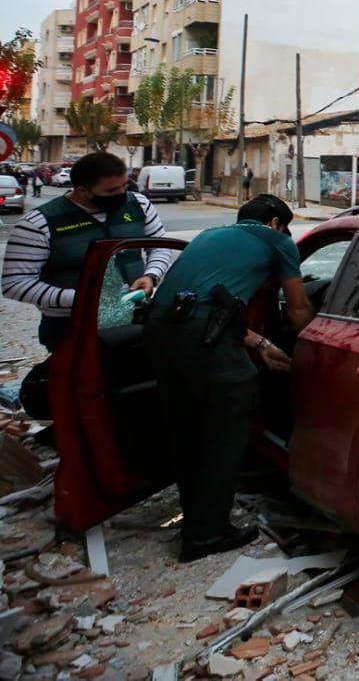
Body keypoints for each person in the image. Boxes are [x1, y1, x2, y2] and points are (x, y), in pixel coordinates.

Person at [145, 194, 311, 562]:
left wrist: (261, 342)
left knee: (187, 430)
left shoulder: (209, 235)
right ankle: (207, 534)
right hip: (204, 336)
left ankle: (196, 519)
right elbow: (298, 308)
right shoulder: (278, 241)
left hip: (161, 330)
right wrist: (314, 349)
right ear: (274, 223)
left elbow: (216, 305)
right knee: (226, 429)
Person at [1, 152, 173, 352]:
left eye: (124, 186)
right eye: (111, 191)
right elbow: (15, 284)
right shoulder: (38, 223)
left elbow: (159, 246)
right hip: (71, 325)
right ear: (82, 190)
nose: (122, 194)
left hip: (134, 316)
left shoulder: (139, 205)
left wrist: (151, 276)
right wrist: (83, 299)